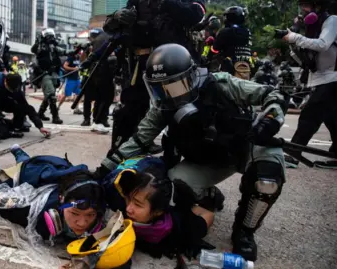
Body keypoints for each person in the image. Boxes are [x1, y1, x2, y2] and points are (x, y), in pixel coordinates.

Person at [95, 44, 287, 262]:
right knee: (174, 185)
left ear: (193, 76)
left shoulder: (221, 84)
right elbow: (139, 140)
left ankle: (245, 231)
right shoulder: (162, 108)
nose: (168, 94)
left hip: (246, 148)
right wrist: (104, 168)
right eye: (160, 88)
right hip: (209, 161)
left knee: (267, 179)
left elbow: (273, 95)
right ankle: (210, 195)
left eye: (174, 87)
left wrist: (270, 121)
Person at [99, 0, 206, 154]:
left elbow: (197, 14)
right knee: (130, 108)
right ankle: (122, 152)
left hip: (175, 64)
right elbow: (109, 27)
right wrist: (117, 17)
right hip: (142, 63)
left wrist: (169, 3)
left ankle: (179, 154)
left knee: (179, 110)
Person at [0, 146, 106, 243]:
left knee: (30, 166)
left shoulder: (95, 197)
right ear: (61, 201)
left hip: (49, 169)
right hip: (33, 174)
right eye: (75, 213)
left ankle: (18, 151)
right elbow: (0, 203)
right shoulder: (34, 210)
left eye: (90, 215)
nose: (82, 223)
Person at [102, 156, 214, 265]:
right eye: (129, 199)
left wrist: (190, 208)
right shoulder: (120, 201)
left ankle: (209, 193)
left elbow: (208, 214)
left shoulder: (180, 225)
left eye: (138, 204)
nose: (128, 208)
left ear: (158, 212)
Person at [282, 0, 337, 169]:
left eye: (306, 6)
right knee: (333, 120)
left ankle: (293, 154)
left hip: (332, 78)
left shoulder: (332, 20)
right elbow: (306, 61)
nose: (303, 10)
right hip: (323, 78)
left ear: (318, 6)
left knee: (309, 116)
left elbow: (323, 45)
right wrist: (293, 44)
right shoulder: (313, 28)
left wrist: (296, 37)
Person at [0, 72, 50, 137]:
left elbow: (28, 108)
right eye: (10, 89)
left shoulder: (16, 88)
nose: (12, 91)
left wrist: (40, 126)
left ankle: (16, 126)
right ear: (5, 82)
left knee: (22, 107)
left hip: (4, 102)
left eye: (14, 90)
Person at [80, 28, 114, 132]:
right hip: (90, 75)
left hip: (99, 72)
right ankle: (88, 119)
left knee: (102, 97)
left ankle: (100, 119)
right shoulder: (90, 46)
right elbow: (83, 60)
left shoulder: (105, 42)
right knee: (90, 98)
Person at [32, 28, 64, 124]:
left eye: (52, 36)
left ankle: (40, 113)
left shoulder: (54, 47)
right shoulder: (41, 46)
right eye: (48, 36)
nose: (51, 38)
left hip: (53, 74)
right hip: (44, 74)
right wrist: (37, 42)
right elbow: (33, 50)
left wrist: (79, 48)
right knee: (51, 95)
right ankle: (55, 117)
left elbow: (65, 52)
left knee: (49, 95)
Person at [212, 6, 253, 80]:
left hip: (230, 68)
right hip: (246, 67)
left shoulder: (225, 31)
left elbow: (215, 48)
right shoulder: (248, 32)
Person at [58, 50, 83, 115]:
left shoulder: (78, 59)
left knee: (79, 94)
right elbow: (65, 66)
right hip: (70, 79)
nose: (79, 54)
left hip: (77, 78)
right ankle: (58, 107)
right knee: (66, 94)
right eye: (79, 53)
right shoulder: (70, 58)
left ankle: (76, 109)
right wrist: (73, 69)